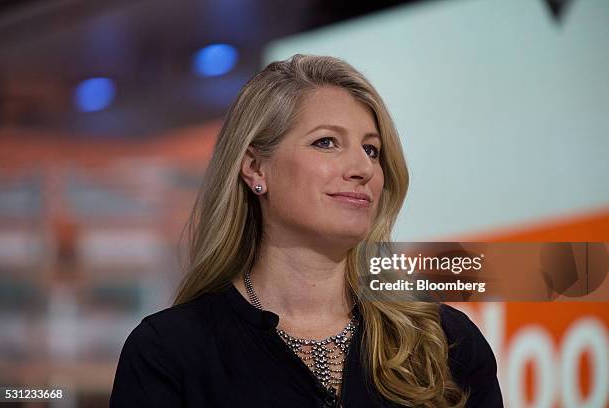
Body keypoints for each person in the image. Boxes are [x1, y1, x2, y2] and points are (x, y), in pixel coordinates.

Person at [109, 54, 503, 407]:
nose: (363, 169)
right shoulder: (169, 352)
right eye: (327, 142)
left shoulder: (444, 342)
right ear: (255, 168)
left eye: (371, 150)